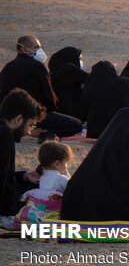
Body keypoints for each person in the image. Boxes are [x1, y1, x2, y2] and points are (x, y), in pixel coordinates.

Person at [0, 35, 81, 137]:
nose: (39, 50)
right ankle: (40, 133)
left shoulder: (7, 67)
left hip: (11, 117)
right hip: (35, 115)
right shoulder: (37, 67)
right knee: (76, 125)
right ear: (24, 49)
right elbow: (50, 98)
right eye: (36, 47)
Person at [0, 89, 45, 226]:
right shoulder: (4, 134)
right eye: (30, 125)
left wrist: (24, 175)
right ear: (19, 119)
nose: (29, 131)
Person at [81, 61, 129, 138]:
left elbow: (84, 113)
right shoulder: (126, 82)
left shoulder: (89, 88)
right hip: (125, 129)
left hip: (97, 133)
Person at [48, 46, 89, 119]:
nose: (80, 61)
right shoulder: (69, 69)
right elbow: (89, 78)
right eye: (79, 59)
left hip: (57, 108)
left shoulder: (55, 69)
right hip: (69, 110)